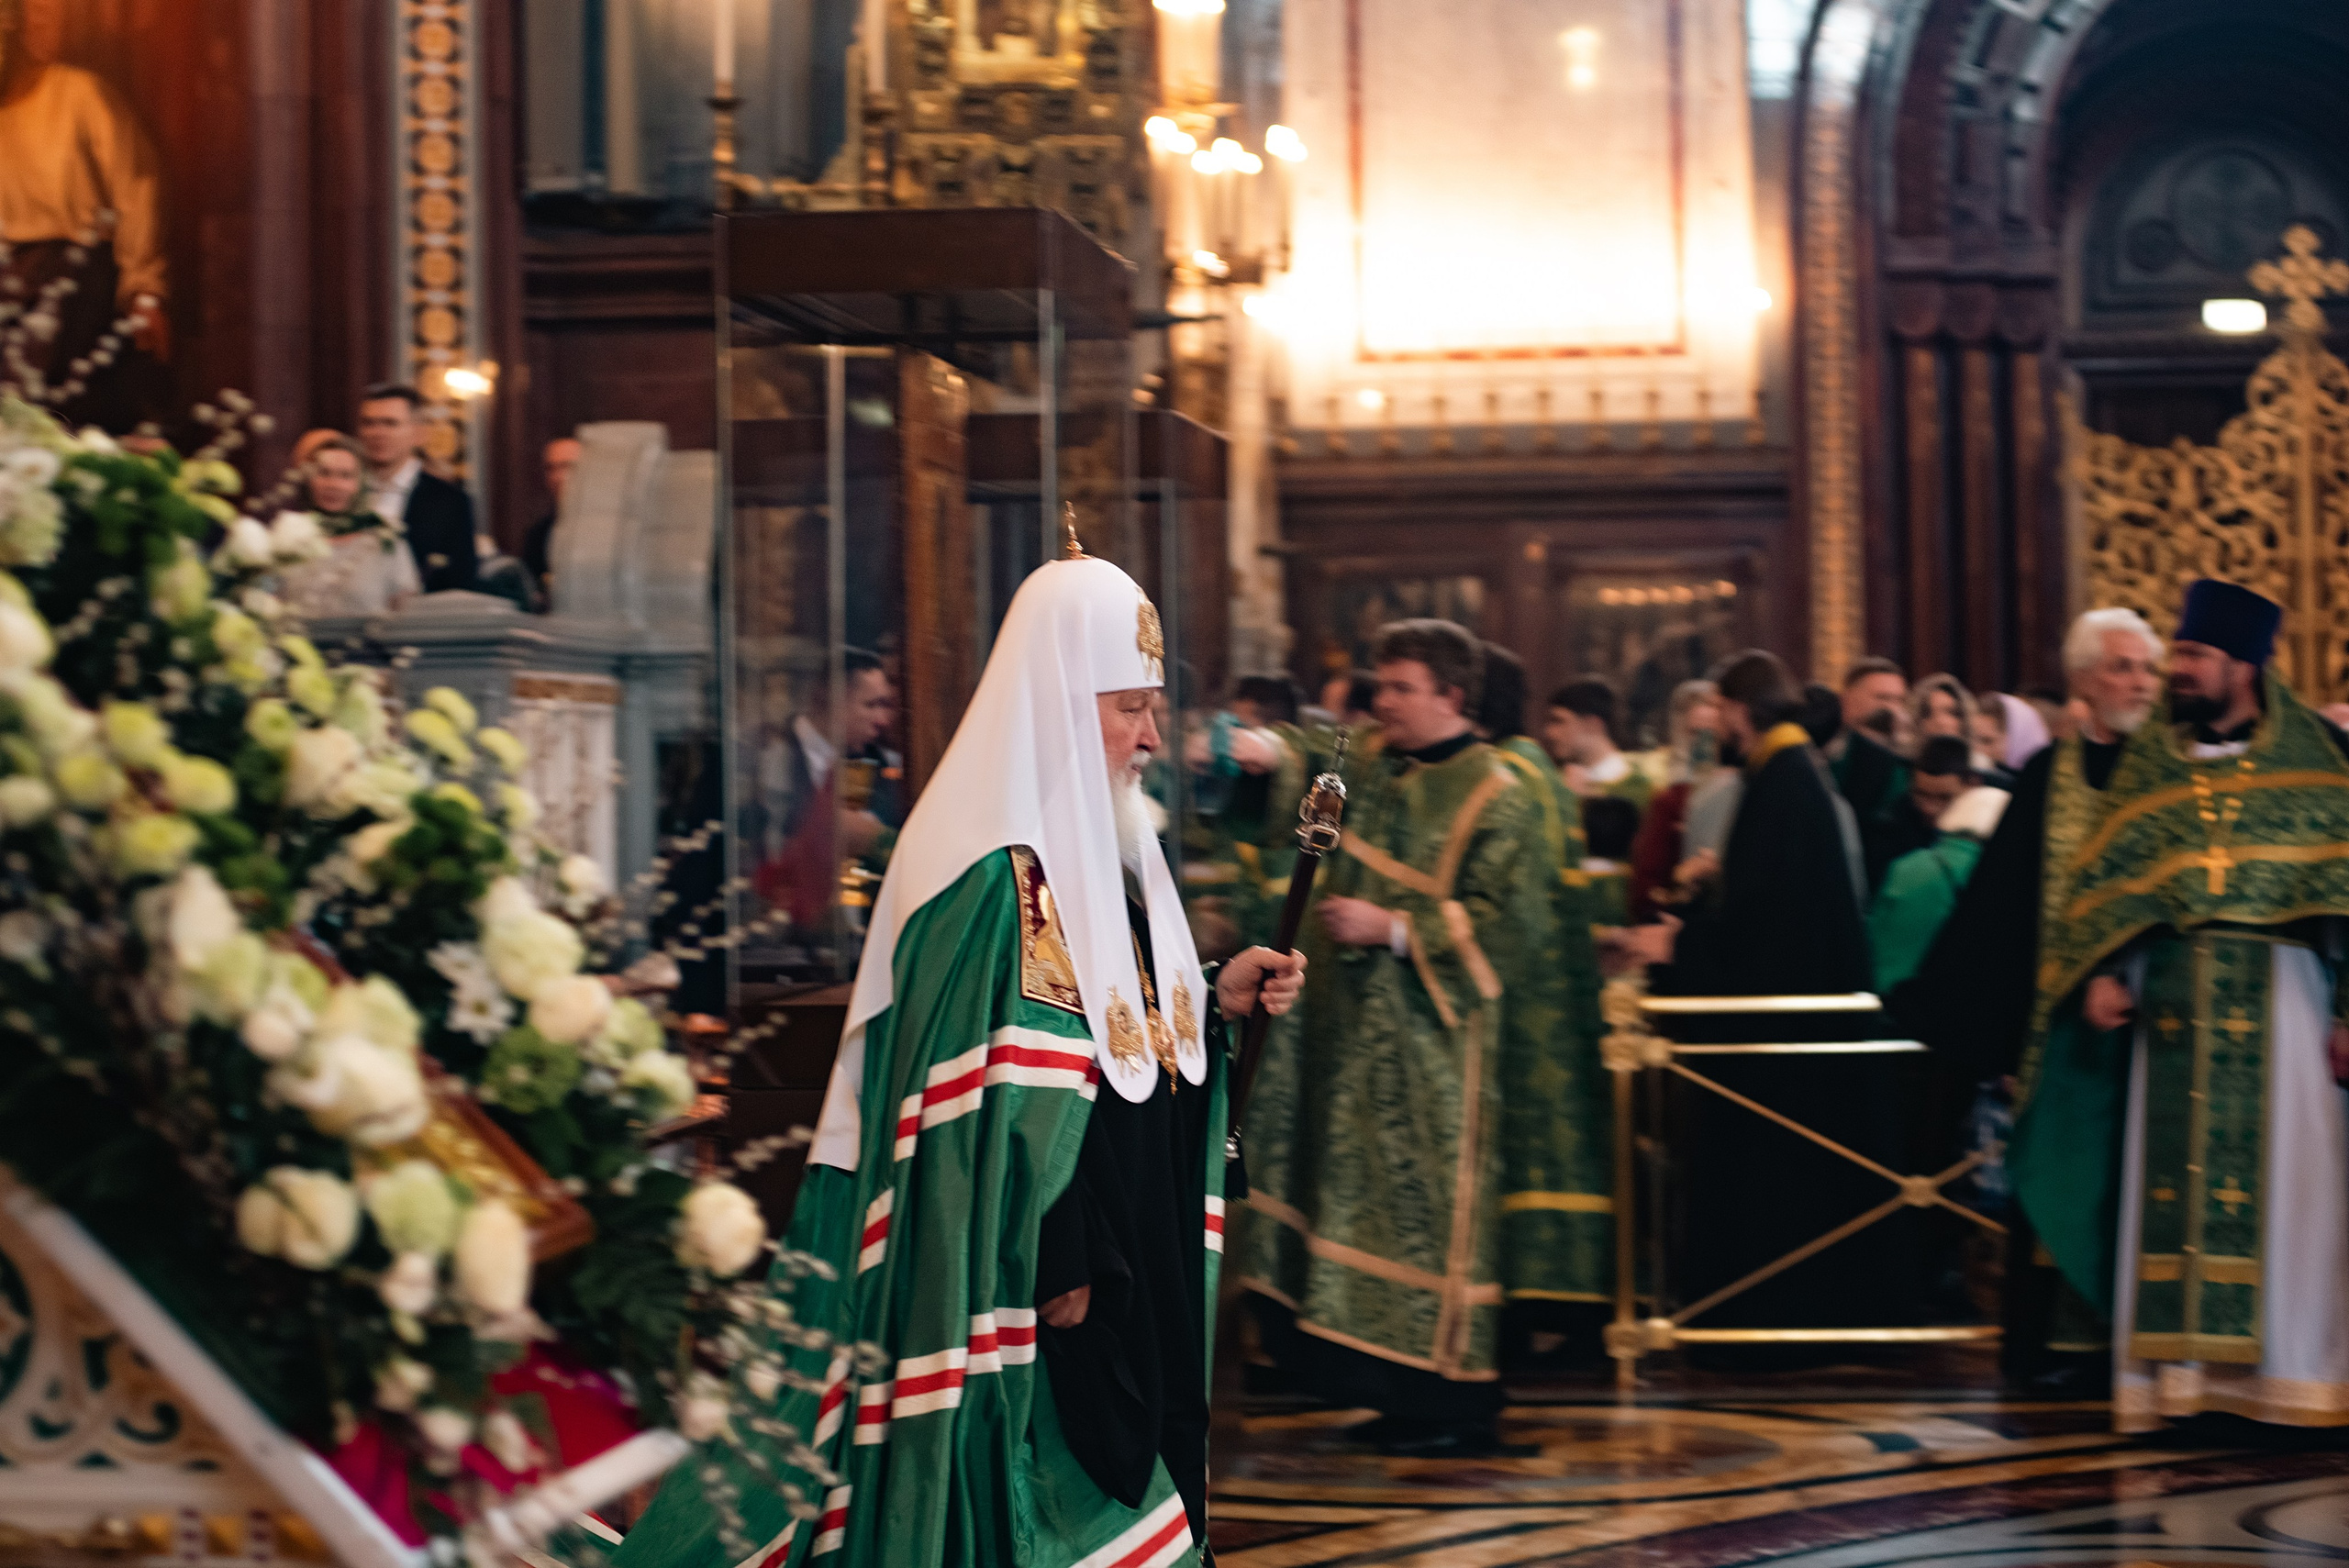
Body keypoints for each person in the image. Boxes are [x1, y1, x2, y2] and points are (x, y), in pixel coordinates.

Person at [618, 543, 1305, 1566]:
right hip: (1042, 1275)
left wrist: (1209, 996)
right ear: (1062, 704)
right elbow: (977, 1102)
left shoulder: (1116, 852)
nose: (1152, 737)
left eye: (1153, 706)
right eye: (1129, 706)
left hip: (1133, 1246)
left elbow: (1102, 1033)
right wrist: (1062, 1257)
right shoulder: (986, 879)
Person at [2006, 580, 2349, 1434]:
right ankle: (2180, 1384)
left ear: (2242, 665)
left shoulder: (2317, 767)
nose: (2178, 673)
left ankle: (2293, 1377)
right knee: (2172, 1195)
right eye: (2178, 656)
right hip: (2172, 1010)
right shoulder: (2151, 768)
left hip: (2287, 1005)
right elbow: (2110, 887)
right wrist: (2102, 972)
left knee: (2295, 1198)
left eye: (2194, 657)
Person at [1237, 619, 1563, 1455]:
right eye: (1379, 687)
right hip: (1346, 1038)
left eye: (1401, 688)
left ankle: (1451, 1399)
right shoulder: (1374, 763)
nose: (1381, 704)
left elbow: (1513, 926)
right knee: (1349, 1201)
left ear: (1454, 696)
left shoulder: (1503, 791)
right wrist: (1268, 756)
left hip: (1434, 1052)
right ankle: (1383, 1385)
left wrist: (1394, 927)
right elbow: (1313, 755)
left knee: (1422, 1213)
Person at [1888, 609, 2164, 1385]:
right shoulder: (2048, 776)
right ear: (2081, 678)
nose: (2139, 682)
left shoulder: (2175, 775)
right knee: (2065, 1178)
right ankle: (2067, 1348)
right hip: (2069, 1029)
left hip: (2161, 1027)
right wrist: (2007, 1026)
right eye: (2121, 666)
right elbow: (2005, 915)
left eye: (2147, 668)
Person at [1620, 651, 1904, 1331]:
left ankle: (1768, 1321)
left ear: (1740, 713)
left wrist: (1679, 945)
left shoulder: (1782, 783)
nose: (1714, 724)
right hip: (1793, 1039)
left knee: (1775, 1186)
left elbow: (1768, 933)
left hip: (1787, 1046)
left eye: (1718, 711)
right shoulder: (1784, 775)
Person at [1475, 643, 1612, 1333]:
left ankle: (1542, 1302)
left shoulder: (1502, 777)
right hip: (1559, 994)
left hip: (1520, 1000)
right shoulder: (1543, 770)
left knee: (1528, 1151)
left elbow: (1506, 909)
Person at [0, 0, 169, 428]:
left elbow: (136, 184)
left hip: (70, 274)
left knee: (55, 405)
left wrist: (144, 288)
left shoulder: (76, 92)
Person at [751, 650, 904, 933]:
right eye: (871, 705)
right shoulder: (768, 756)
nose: (882, 720)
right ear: (829, 699)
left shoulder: (883, 767)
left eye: (886, 706)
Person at [1868, 784, 2009, 995]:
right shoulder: (1996, 885)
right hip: (1926, 1002)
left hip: (1874, 987)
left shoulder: (1907, 865)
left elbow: (1873, 931)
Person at [272, 434, 421, 617]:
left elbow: (406, 615)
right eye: (324, 473)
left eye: (345, 476)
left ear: (361, 483)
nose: (333, 485)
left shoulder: (386, 543)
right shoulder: (286, 537)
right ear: (309, 479)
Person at [356, 383, 478, 595]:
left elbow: (460, 582)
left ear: (419, 434)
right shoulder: (346, 491)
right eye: (369, 423)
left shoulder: (449, 501)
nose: (377, 433)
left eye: (390, 423)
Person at [1629, 681, 1723, 921]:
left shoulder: (1747, 788)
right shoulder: (1670, 800)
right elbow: (1647, 887)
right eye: (1695, 734)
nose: (1703, 744)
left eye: (1712, 733)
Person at [1863, 735, 1972, 895]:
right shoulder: (1886, 829)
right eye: (1921, 794)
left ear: (1969, 786)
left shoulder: (1976, 831)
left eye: (1944, 798)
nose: (1929, 809)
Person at [1546, 677, 1654, 814]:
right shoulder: (1555, 780)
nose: (1550, 733)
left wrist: (1578, 801)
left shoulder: (1639, 789)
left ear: (1593, 725)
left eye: (1559, 721)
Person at [1829, 656, 1909, 823]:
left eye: (1899, 700)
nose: (1892, 709)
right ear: (1848, 700)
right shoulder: (1829, 754)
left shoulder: (1907, 762)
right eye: (1883, 698)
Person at [521, 435, 582, 608]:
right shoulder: (538, 534)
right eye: (551, 469)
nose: (558, 477)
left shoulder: (612, 528)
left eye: (568, 466)